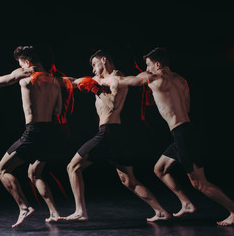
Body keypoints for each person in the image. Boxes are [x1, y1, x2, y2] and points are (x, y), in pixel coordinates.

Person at [121, 47, 234, 226]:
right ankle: (186, 203)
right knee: (160, 169)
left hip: (182, 134)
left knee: (200, 184)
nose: (147, 69)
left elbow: (130, 81)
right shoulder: (181, 80)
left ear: (157, 64)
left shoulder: (154, 77)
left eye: (149, 65)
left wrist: (108, 79)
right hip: (186, 130)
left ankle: (233, 210)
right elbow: (186, 108)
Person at [61, 50, 170, 222]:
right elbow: (74, 82)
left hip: (108, 132)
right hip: (115, 134)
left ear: (104, 60)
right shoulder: (98, 80)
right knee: (129, 181)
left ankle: (81, 212)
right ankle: (161, 212)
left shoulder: (116, 77)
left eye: (95, 65)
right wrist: (48, 78)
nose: (93, 70)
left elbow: (112, 103)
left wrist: (95, 89)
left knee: (72, 167)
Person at [0, 46, 63, 228]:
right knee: (34, 173)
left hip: (33, 132)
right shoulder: (54, 81)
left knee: (2, 170)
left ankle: (24, 207)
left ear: (27, 62)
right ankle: (54, 213)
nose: (20, 67)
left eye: (20, 63)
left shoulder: (25, 74)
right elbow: (58, 110)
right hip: (51, 133)